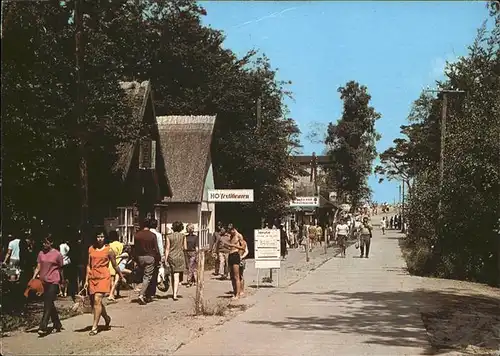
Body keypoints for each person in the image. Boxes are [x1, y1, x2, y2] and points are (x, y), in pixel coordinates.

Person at [85, 229, 124, 336]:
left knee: (97, 299)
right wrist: (86, 280)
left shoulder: (109, 250)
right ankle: (106, 318)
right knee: (95, 302)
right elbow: (88, 265)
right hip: (93, 277)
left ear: (105, 237)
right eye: (98, 236)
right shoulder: (91, 249)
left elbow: (115, 264)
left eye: (102, 236)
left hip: (103, 276)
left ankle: (94, 326)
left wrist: (121, 275)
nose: (100, 239)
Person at [31, 234, 64, 336]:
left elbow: (61, 268)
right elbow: (38, 266)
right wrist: (33, 277)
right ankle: (57, 324)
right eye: (43, 243)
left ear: (51, 243)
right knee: (49, 303)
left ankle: (43, 326)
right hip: (43, 281)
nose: (44, 244)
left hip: (54, 281)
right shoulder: (41, 253)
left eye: (46, 242)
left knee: (47, 303)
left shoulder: (57, 254)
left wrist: (62, 281)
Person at [133, 219, 161, 305]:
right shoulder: (152, 235)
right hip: (150, 257)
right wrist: (158, 259)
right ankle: (141, 295)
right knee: (147, 277)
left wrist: (135, 259)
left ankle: (144, 293)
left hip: (140, 257)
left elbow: (135, 248)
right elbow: (156, 248)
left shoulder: (137, 235)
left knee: (143, 275)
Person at [165, 221, 186, 301]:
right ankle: (175, 294)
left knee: (172, 275)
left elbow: (167, 248)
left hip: (171, 256)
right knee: (177, 275)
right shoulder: (183, 236)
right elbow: (185, 247)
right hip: (180, 256)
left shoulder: (169, 236)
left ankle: (173, 292)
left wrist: (166, 259)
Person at [225, 224, 245, 300]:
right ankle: (234, 292)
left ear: (234, 229)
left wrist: (234, 246)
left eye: (231, 230)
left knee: (237, 276)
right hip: (230, 254)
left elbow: (243, 247)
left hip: (236, 254)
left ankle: (238, 294)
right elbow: (230, 246)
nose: (230, 232)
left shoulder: (239, 236)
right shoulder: (230, 236)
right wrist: (228, 245)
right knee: (232, 276)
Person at [107, 231, 124, 301]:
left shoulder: (109, 245)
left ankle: (112, 293)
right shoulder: (121, 245)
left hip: (111, 262)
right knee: (118, 279)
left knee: (112, 279)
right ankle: (117, 293)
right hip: (119, 261)